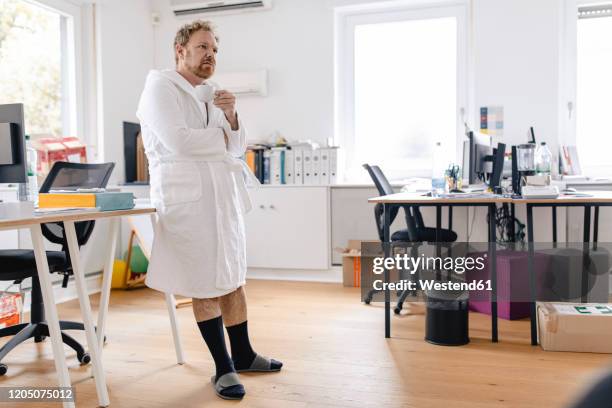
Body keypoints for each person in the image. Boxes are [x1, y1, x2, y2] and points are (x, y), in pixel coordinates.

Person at [136, 20, 281, 400]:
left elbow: (237, 147)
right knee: (204, 281)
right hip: (186, 199)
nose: (210, 56)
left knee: (233, 274)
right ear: (180, 50)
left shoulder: (213, 92)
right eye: (202, 47)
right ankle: (224, 366)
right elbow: (178, 142)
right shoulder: (159, 88)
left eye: (214, 50)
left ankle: (245, 353)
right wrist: (223, 138)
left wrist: (232, 118)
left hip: (221, 196)